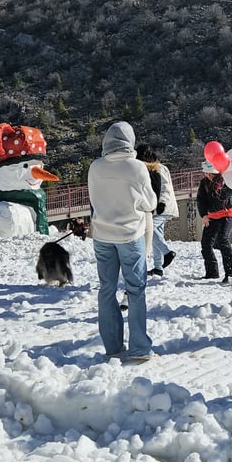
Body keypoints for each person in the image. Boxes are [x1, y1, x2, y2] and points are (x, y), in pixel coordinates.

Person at [87, 122, 158, 362]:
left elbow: (93, 200)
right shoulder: (136, 168)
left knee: (106, 290)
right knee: (136, 290)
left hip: (102, 235)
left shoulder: (95, 167)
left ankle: (113, 346)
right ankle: (139, 347)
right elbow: (150, 204)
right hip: (130, 236)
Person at [136, 144, 178, 276]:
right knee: (157, 233)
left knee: (150, 229)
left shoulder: (159, 169)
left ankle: (167, 253)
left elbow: (165, 188)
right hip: (157, 208)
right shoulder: (152, 168)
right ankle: (158, 267)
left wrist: (162, 203)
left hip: (164, 207)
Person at [197, 160, 232, 284]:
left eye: (209, 173)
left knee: (222, 239)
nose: (206, 175)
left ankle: (231, 273)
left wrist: (219, 190)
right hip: (212, 216)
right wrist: (204, 215)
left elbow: (224, 197)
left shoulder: (225, 180)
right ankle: (212, 271)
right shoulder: (204, 183)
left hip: (227, 215)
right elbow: (201, 200)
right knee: (206, 244)